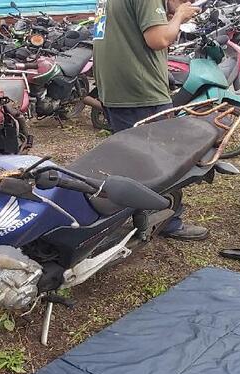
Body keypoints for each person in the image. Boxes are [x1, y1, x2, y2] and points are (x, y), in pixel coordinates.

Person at [93, 0, 209, 241]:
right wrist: (179, 16)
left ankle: (133, 216)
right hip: (141, 91)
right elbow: (158, 40)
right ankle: (168, 220)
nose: (187, 3)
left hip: (115, 90)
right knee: (161, 161)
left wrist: (171, 15)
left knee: (129, 158)